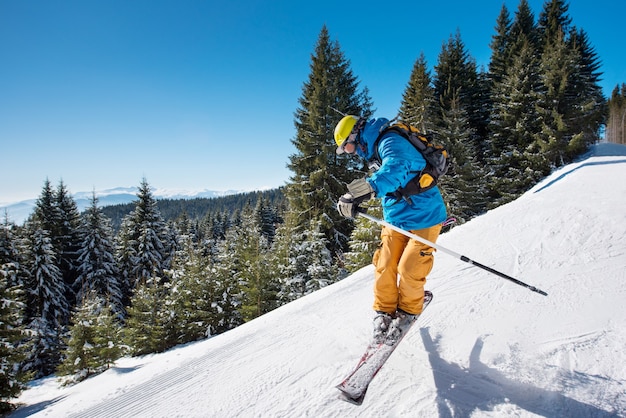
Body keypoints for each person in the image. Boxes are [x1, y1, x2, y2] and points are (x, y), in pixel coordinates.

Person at [334, 114, 447, 343]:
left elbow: (395, 170)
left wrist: (361, 192)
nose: (350, 152)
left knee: (409, 269)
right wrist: (353, 199)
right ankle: (384, 312)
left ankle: (408, 312)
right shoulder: (375, 149)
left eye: (347, 146)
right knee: (385, 265)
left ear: (355, 134)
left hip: (425, 217)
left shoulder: (390, 141)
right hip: (396, 218)